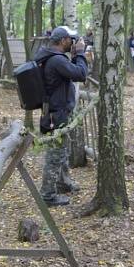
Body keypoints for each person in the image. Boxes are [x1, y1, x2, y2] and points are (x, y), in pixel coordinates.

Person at [33, 25, 88, 206]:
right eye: (71, 40)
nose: (72, 43)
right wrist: (80, 54)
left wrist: (75, 56)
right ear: (63, 40)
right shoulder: (56, 60)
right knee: (55, 155)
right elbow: (80, 74)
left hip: (54, 113)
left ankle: (63, 183)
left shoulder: (49, 56)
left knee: (62, 151)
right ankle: (47, 196)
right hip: (56, 115)